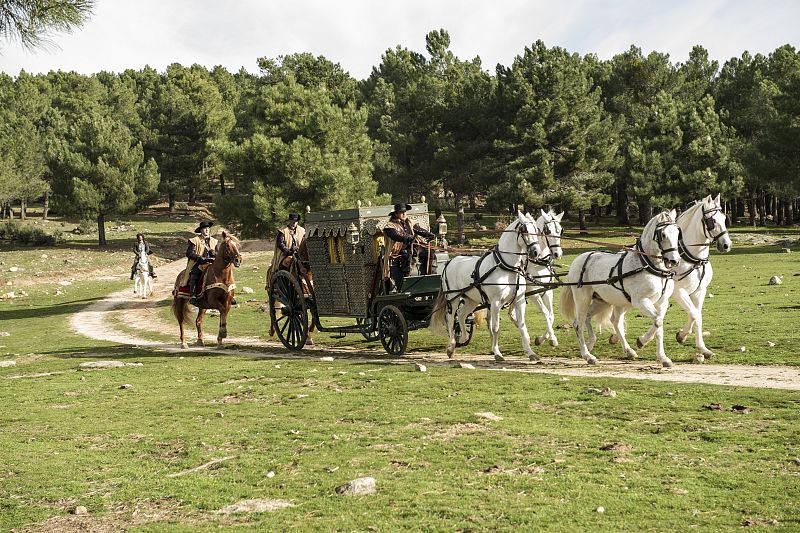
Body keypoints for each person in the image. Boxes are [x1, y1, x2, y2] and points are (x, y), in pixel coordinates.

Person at [382, 203, 435, 292]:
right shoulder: (390, 226)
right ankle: (406, 280)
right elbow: (395, 236)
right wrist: (406, 238)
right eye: (401, 212)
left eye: (405, 212)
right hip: (397, 252)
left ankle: (429, 276)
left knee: (429, 252)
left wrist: (429, 234)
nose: (404, 214)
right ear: (396, 214)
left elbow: (419, 230)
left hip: (412, 249)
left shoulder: (409, 222)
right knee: (407, 255)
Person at [182, 220, 218, 306]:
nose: (206, 230)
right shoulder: (195, 240)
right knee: (195, 274)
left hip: (212, 263)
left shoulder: (214, 241)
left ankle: (227, 294)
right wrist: (200, 258)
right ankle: (193, 296)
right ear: (201, 230)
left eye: (208, 228)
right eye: (204, 228)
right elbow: (189, 253)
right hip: (199, 264)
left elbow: (218, 254)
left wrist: (214, 253)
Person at [267, 213, 306, 286]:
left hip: (300, 254)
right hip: (286, 254)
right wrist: (288, 251)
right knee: (286, 262)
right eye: (292, 221)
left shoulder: (302, 231)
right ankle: (284, 282)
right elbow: (280, 244)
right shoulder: (283, 232)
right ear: (289, 221)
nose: (294, 223)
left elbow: (304, 241)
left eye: (295, 221)